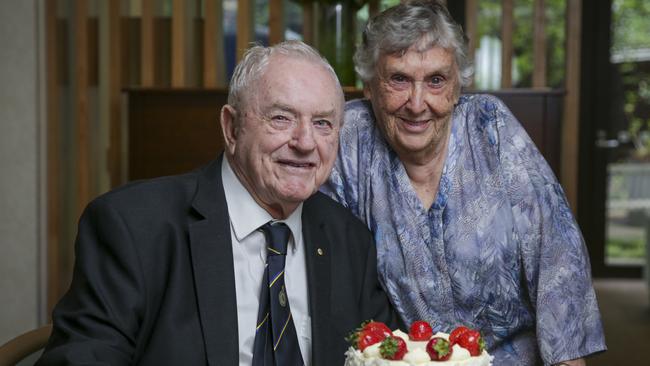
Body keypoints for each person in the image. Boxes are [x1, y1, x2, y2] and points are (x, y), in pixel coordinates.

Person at [37, 41, 396, 366]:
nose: (305, 142)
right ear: (231, 128)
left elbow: (388, 356)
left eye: (322, 123)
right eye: (281, 118)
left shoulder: (349, 240)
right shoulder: (133, 227)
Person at [321, 1, 606, 365]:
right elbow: (323, 254)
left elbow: (556, 251)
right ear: (370, 86)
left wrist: (568, 361)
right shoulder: (352, 137)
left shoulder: (490, 126)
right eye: (399, 79)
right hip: (404, 360)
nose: (417, 103)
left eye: (436, 80)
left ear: (458, 86)